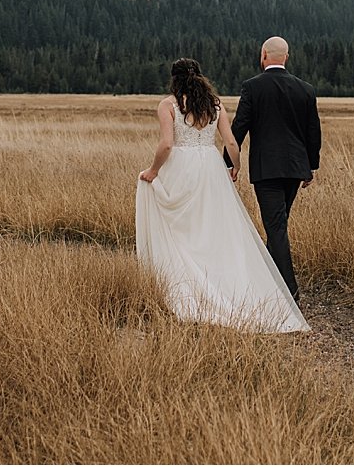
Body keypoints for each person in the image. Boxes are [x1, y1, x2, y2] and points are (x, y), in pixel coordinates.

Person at [135, 58, 308, 333]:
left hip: (180, 167)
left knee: (182, 227)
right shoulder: (214, 104)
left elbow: (167, 143)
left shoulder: (168, 105)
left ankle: (188, 280)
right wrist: (234, 166)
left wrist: (153, 171)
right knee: (212, 226)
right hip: (210, 168)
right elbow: (230, 141)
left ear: (174, 78)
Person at [230, 36, 322, 303]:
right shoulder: (305, 89)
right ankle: (269, 283)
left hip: (267, 169)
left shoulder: (252, 87)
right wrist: (310, 166)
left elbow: (239, 127)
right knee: (278, 225)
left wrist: (229, 162)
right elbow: (313, 132)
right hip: (294, 169)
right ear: (287, 57)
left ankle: (290, 291)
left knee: (276, 228)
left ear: (263, 55)